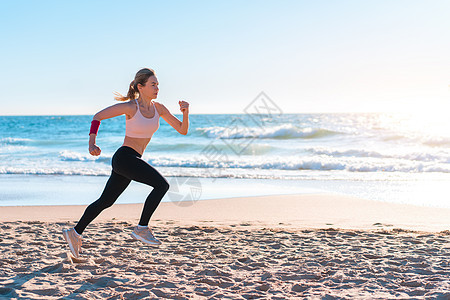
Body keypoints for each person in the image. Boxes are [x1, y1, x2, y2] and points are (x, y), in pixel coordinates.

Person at [62, 68, 189, 258]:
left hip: (131, 160)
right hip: (124, 157)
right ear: (141, 86)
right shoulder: (131, 107)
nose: (157, 88)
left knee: (105, 201)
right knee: (162, 185)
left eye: (158, 85)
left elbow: (182, 129)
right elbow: (97, 116)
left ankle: (75, 232)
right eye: (153, 84)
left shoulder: (159, 108)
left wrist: (186, 112)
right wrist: (92, 143)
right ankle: (142, 228)